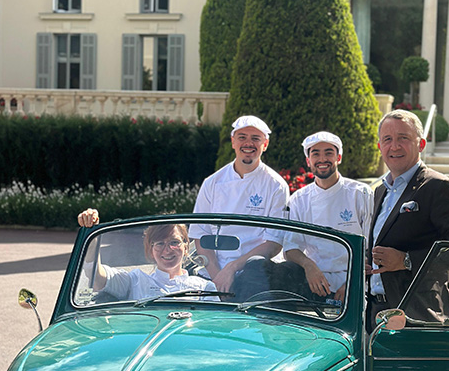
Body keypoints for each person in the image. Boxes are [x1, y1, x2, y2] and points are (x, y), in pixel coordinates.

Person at [368, 110, 449, 328]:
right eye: (387, 139)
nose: (394, 146)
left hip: (418, 314)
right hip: (375, 311)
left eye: (403, 138)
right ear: (380, 147)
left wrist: (406, 260)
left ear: (421, 144)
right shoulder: (379, 191)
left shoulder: (438, 187)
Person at [188, 115, 290, 292]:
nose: (248, 143)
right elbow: (200, 235)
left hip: (257, 276)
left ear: (265, 145)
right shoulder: (212, 182)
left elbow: (274, 243)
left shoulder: (276, 186)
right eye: (242, 137)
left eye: (255, 139)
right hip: (212, 273)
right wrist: (218, 277)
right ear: (233, 141)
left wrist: (233, 268)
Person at [284, 131, 374, 301]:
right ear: (308, 161)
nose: (322, 159)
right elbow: (290, 248)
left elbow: (372, 247)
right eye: (316, 154)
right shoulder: (298, 200)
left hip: (356, 282)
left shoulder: (360, 193)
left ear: (338, 158)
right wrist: (308, 265)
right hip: (314, 283)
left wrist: (353, 282)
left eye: (328, 153)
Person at [77, 208, 217, 301]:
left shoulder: (205, 288)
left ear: (186, 247)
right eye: (160, 243)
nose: (167, 250)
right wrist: (93, 236)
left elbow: (211, 329)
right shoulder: (135, 281)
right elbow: (95, 275)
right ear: (150, 249)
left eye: (174, 242)